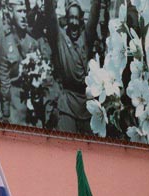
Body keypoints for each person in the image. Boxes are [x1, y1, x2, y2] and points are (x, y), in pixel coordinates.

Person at [44, 0, 101, 134]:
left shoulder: (86, 39)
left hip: (85, 103)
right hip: (67, 104)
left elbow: (95, 14)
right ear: (66, 19)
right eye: (71, 18)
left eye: (76, 18)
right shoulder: (60, 38)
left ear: (81, 20)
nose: (74, 22)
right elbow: (50, 15)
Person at [0, 0, 56, 127]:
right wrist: (5, 112)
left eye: (25, 11)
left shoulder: (33, 43)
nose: (24, 15)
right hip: (12, 110)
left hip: (31, 111)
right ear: (10, 12)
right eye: (19, 11)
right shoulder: (4, 40)